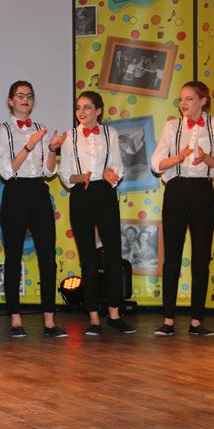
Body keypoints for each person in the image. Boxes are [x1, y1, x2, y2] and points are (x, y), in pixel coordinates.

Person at [151, 81, 214, 337]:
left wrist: (205, 158)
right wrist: (178, 157)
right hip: (175, 189)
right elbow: (156, 163)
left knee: (201, 258)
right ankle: (168, 320)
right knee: (172, 258)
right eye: (181, 99)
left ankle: (196, 321)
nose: (183, 104)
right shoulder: (172, 126)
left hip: (202, 190)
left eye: (189, 99)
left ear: (203, 100)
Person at [0, 81, 66, 338]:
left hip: (39, 192)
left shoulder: (39, 128)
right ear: (10, 101)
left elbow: (49, 171)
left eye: (29, 96)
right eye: (20, 96)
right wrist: (29, 146)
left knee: (48, 257)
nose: (25, 100)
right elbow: (5, 170)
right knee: (13, 257)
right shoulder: (2, 131)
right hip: (14, 192)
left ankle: (49, 321)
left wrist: (52, 149)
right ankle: (15, 320)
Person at [60, 91, 135, 336]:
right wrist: (81, 177)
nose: (81, 112)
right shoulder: (70, 136)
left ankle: (114, 314)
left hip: (104, 193)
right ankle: (93, 318)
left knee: (113, 255)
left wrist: (111, 174)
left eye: (87, 107)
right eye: (78, 108)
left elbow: (117, 166)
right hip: (81, 194)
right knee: (88, 260)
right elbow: (65, 174)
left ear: (99, 111)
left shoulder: (109, 133)